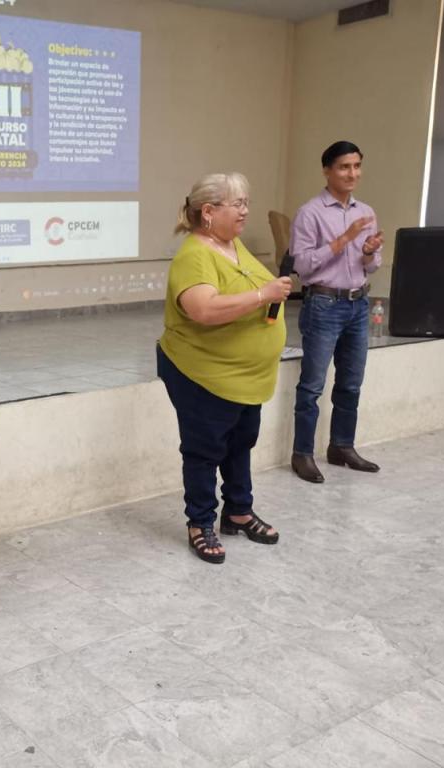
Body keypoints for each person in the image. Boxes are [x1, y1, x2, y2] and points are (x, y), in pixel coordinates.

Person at [156, 173, 290, 564]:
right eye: (238, 204)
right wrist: (263, 294)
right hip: (203, 373)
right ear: (209, 212)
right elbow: (203, 309)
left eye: (246, 202)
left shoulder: (232, 244)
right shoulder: (195, 254)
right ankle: (200, 523)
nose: (246, 211)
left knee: (240, 443)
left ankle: (238, 510)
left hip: (244, 377)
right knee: (204, 451)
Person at [289, 141, 383, 483]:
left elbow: (373, 265)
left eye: (357, 166)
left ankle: (342, 446)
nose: (352, 173)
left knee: (351, 383)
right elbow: (302, 265)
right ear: (327, 170)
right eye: (344, 166)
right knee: (312, 386)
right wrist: (344, 239)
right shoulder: (310, 213)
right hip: (323, 304)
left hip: (358, 303)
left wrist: (369, 252)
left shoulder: (366, 212)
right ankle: (302, 453)